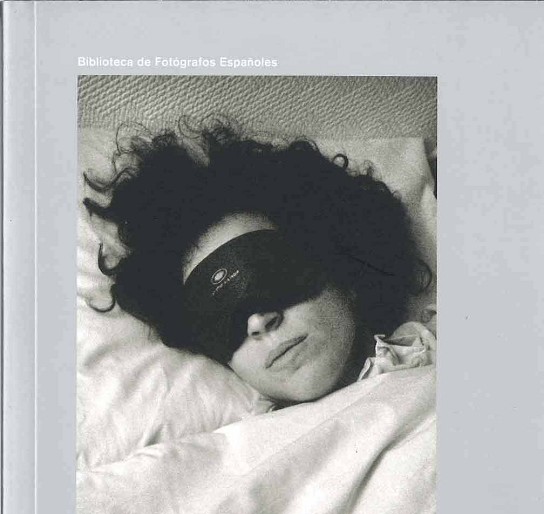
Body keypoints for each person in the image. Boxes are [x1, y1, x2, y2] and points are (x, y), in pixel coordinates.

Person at [83, 120, 432, 404]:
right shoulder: (229, 456)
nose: (257, 322)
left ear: (345, 272)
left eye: (272, 277)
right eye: (221, 315)